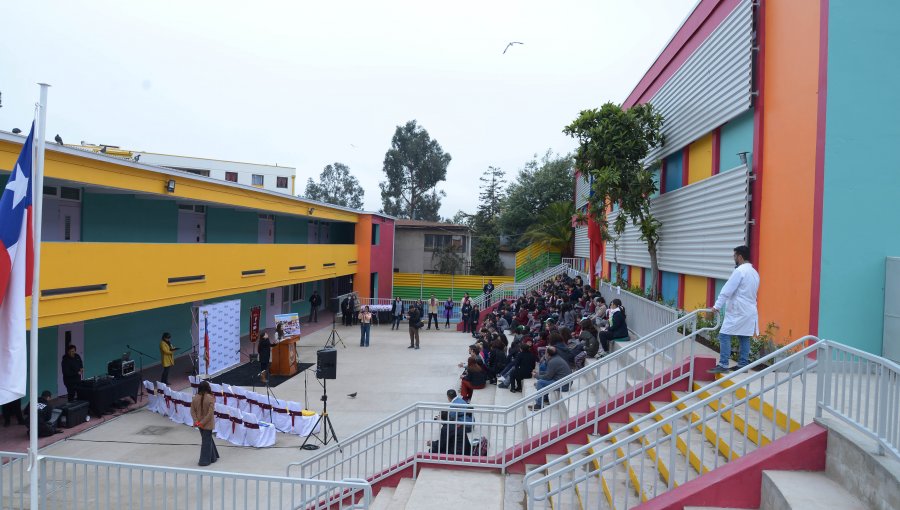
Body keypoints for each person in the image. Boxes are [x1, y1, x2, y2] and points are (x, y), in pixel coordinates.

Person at [709, 245, 760, 373]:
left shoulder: (740, 271)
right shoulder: (755, 273)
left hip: (738, 311)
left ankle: (723, 364)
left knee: (724, 335)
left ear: (740, 257)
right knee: (744, 336)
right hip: (750, 311)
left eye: (734, 256)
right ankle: (743, 364)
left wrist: (716, 307)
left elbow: (726, 291)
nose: (734, 258)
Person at [528, 346, 572, 411]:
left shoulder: (552, 362)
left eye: (545, 352)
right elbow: (549, 373)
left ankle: (539, 405)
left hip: (564, 385)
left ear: (548, 354)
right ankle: (545, 399)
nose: (544, 354)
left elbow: (547, 377)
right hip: (563, 382)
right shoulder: (556, 359)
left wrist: (536, 376)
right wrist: (539, 373)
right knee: (542, 382)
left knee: (540, 382)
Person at [190, 381, 219, 466]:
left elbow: (192, 411)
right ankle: (204, 460)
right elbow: (210, 414)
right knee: (206, 441)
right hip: (207, 424)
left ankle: (213, 457)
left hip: (199, 423)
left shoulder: (195, 398)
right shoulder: (211, 398)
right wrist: (202, 423)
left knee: (207, 438)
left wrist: (197, 422)